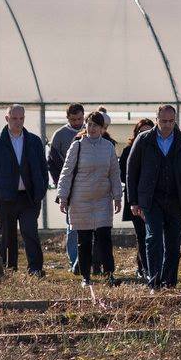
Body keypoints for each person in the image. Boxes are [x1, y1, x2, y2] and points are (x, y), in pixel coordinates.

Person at [125, 104, 181, 289]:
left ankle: (169, 282)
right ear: (156, 120)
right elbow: (131, 170)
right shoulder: (144, 140)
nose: (167, 125)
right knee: (153, 239)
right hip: (152, 199)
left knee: (173, 243)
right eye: (163, 121)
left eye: (171, 121)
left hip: (177, 198)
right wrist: (133, 201)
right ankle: (154, 282)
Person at [56, 110, 123, 284]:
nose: (92, 128)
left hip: (103, 200)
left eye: (96, 125)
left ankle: (109, 274)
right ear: (86, 125)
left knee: (104, 239)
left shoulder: (108, 147)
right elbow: (66, 172)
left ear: (102, 128)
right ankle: (86, 276)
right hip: (81, 201)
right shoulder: (77, 146)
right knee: (84, 241)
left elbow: (114, 173)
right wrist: (63, 196)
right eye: (90, 124)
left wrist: (117, 196)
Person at [0, 103, 50, 275]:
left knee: (30, 232)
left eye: (21, 118)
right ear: (7, 118)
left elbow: (43, 169)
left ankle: (35, 268)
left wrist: (40, 191)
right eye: (14, 118)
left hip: (29, 198)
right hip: (4, 198)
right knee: (6, 235)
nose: (18, 122)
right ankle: (8, 269)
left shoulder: (34, 141)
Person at [47, 103, 86, 270]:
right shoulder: (60, 135)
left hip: (89, 185)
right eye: (73, 119)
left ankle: (88, 259)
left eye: (80, 119)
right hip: (70, 187)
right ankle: (75, 261)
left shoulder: (91, 130)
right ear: (67, 118)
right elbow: (53, 163)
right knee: (72, 225)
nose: (77, 122)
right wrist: (61, 186)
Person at [121, 117, 155, 281]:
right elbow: (123, 175)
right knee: (141, 234)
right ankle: (144, 268)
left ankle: (151, 266)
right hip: (136, 198)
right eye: (141, 132)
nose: (144, 135)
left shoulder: (157, 149)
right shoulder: (129, 151)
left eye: (148, 131)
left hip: (153, 198)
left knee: (153, 234)